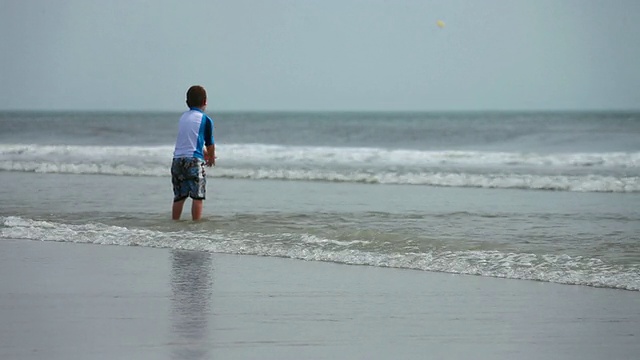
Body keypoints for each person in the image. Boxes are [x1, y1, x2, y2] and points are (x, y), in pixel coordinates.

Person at [171, 85, 216, 220]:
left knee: (179, 196)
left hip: (177, 160)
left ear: (187, 103)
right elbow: (210, 142)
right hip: (194, 161)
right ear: (205, 102)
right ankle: (196, 224)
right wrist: (211, 157)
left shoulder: (183, 117)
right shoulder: (205, 119)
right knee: (197, 196)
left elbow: (189, 139)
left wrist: (203, 152)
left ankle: (175, 221)